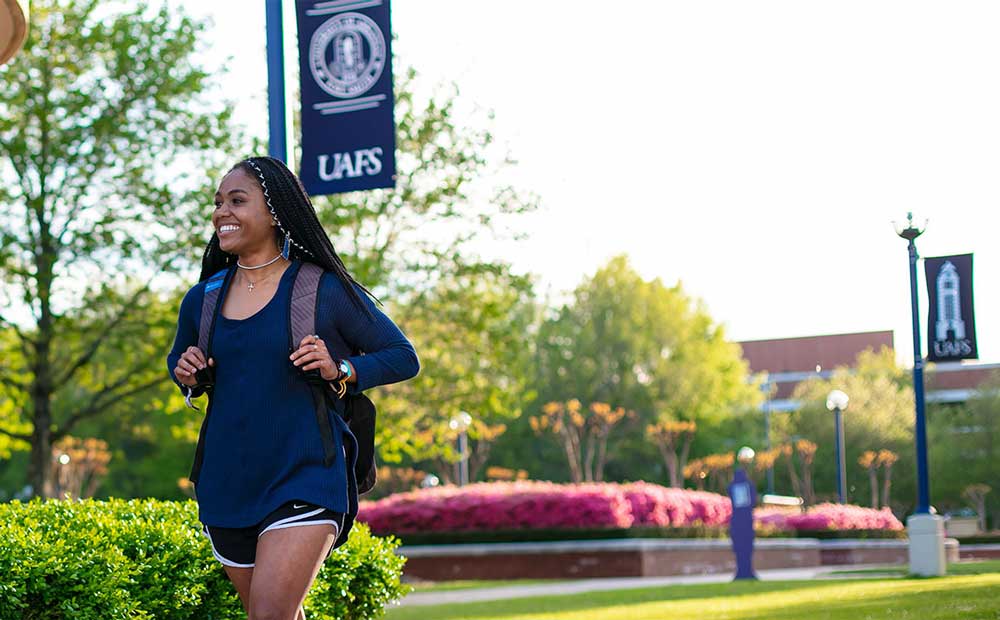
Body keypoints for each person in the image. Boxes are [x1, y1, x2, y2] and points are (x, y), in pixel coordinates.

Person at [166, 156, 419, 619]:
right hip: (227, 482)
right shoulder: (203, 298)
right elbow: (179, 358)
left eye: (237, 201)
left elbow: (403, 356)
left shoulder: (322, 290)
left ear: (276, 211)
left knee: (270, 614)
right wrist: (185, 370)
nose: (222, 212)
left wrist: (340, 367)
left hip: (306, 474)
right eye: (218, 202)